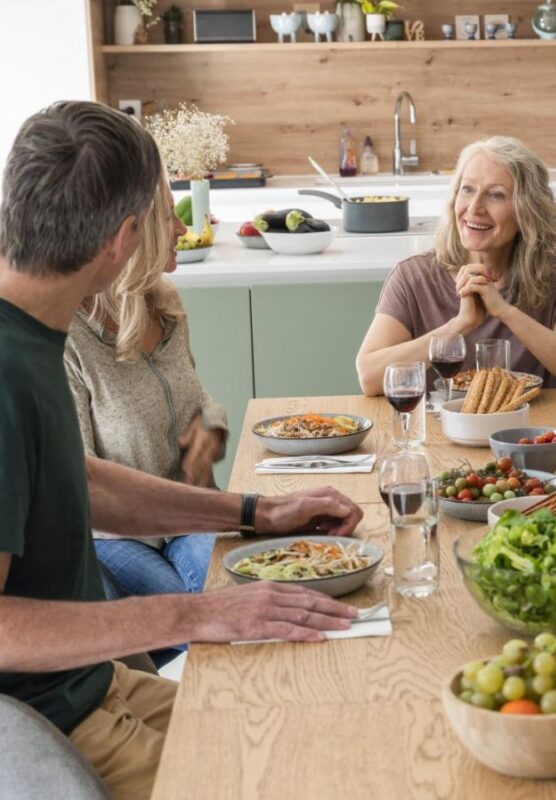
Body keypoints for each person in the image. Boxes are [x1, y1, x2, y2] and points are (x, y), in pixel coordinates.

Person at [0, 101, 364, 800]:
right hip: (53, 734)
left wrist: (257, 511)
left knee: (318, 730)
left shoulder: (31, 324)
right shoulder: (6, 368)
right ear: (122, 239)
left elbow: (79, 481)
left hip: (98, 688)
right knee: (298, 778)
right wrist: (199, 613)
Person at [65, 170, 225, 618]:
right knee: (204, 612)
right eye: (169, 216)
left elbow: (201, 399)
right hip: (114, 539)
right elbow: (79, 487)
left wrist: (210, 428)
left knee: (237, 584)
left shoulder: (166, 305)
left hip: (190, 514)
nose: (182, 229)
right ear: (131, 232)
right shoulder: (69, 337)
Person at [356, 136, 556, 394]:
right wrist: (459, 325)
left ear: (527, 210)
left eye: (496, 195)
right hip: (437, 420)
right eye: (468, 189)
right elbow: (369, 377)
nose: (474, 208)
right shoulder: (413, 276)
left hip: (532, 421)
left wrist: (505, 312)